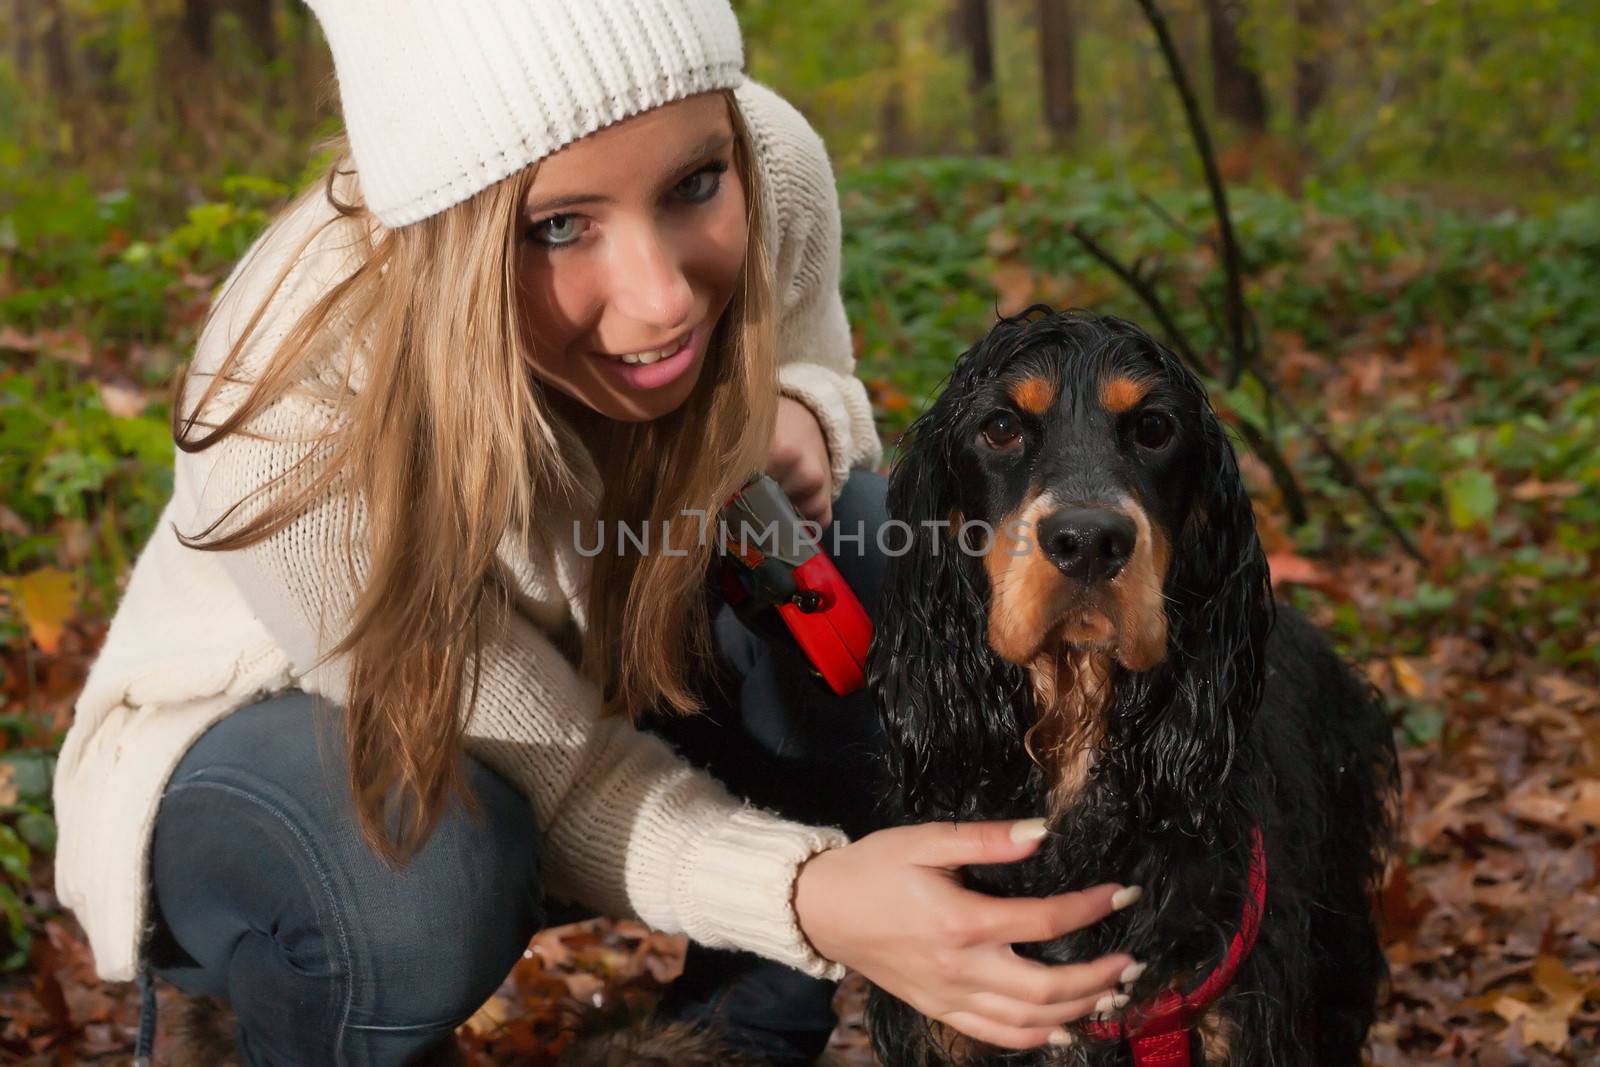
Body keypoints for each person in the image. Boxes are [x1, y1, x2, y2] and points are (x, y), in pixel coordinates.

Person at [50, 2, 1143, 1064]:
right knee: (414, 882)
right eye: (557, 226)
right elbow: (557, 768)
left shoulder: (769, 161)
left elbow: (812, 365)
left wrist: (806, 410)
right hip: (308, 740)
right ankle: (282, 1019)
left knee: (874, 551)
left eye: (692, 186)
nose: (664, 298)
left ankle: (740, 1036)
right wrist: (809, 892)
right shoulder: (289, 392)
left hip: (618, 637)